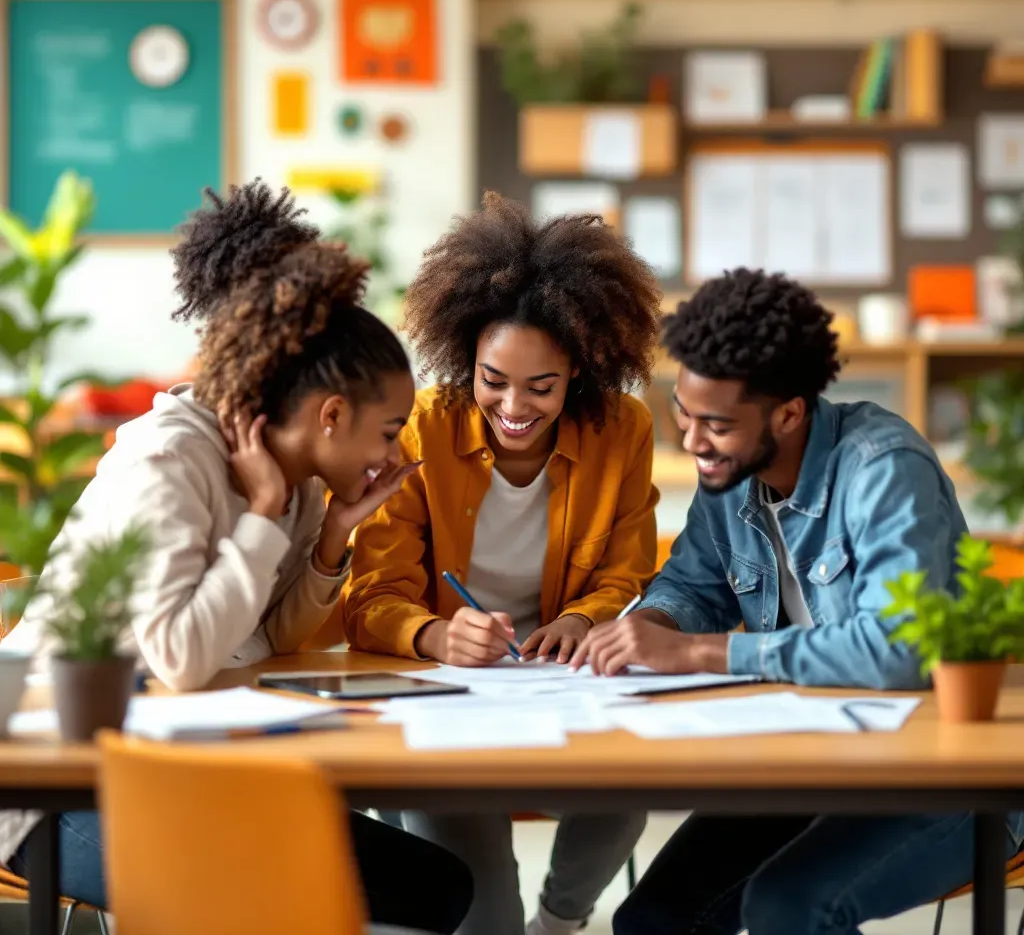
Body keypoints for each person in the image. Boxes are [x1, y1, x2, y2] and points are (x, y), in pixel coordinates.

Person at [0, 181, 472, 935]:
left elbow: (274, 640)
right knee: (291, 898)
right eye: (388, 433)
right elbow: (181, 656)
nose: (393, 454)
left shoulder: (303, 477)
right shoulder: (170, 457)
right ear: (330, 414)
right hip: (65, 785)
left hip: (186, 753)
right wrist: (257, 520)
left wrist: (331, 537)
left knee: (437, 886)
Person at [566, 268, 1024, 935]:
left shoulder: (885, 468)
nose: (693, 443)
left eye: (716, 425)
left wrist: (696, 650)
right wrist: (650, 625)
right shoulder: (728, 473)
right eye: (683, 415)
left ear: (788, 412)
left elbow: (897, 651)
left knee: (789, 909)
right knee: (653, 919)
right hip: (808, 763)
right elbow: (693, 582)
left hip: (936, 778)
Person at [337, 192, 661, 935]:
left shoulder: (623, 428)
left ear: (578, 370)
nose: (513, 407)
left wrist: (583, 619)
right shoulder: (420, 428)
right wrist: (434, 636)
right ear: (466, 358)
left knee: (624, 797)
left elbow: (629, 572)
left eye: (541, 387)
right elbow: (372, 593)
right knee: (487, 921)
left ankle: (562, 921)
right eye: (493, 380)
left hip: (566, 690)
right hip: (446, 701)